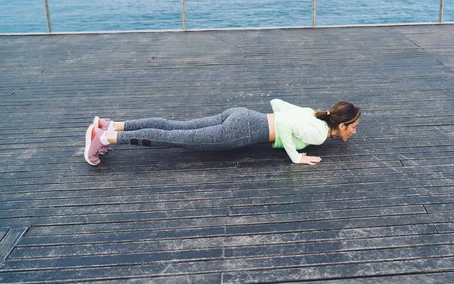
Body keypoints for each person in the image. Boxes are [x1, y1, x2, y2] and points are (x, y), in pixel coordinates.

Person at [84, 99, 361, 166]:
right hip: (240, 131)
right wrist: (296, 156)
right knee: (173, 137)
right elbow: (286, 127)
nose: (355, 132)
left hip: (241, 114)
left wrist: (287, 122)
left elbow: (277, 104)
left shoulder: (312, 112)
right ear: (342, 126)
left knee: (174, 125)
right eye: (354, 127)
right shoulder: (319, 134)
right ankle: (106, 138)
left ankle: (111, 124)